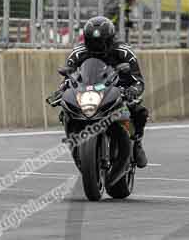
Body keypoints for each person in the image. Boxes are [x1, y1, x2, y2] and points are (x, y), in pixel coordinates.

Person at [60, 16, 149, 168]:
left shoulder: (124, 52)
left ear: (110, 39)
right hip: (88, 91)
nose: (96, 45)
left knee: (140, 111)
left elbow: (138, 80)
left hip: (118, 89)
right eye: (92, 41)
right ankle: (74, 143)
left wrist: (133, 90)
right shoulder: (78, 52)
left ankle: (137, 144)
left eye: (100, 41)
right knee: (65, 111)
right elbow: (69, 76)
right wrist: (63, 88)